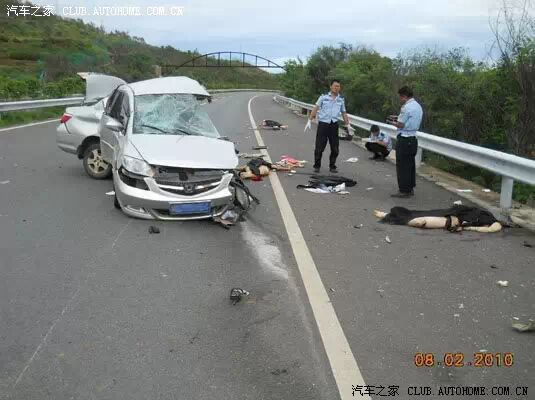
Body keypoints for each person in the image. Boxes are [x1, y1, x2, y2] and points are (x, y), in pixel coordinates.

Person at [305, 79, 352, 173]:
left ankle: (332, 166)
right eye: (335, 86)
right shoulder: (323, 97)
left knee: (335, 148)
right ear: (331, 87)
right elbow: (316, 108)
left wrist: (348, 124)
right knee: (319, 147)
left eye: (338, 86)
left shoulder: (341, 99)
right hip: (323, 124)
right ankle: (317, 166)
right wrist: (309, 120)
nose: (336, 88)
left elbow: (343, 112)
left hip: (334, 125)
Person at [388, 86, 423, 198]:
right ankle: (410, 188)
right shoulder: (418, 106)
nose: (400, 99)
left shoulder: (406, 107)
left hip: (404, 138)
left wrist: (392, 122)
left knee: (402, 165)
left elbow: (401, 124)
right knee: (410, 165)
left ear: (404, 96)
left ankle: (404, 190)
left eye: (400, 97)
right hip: (413, 138)